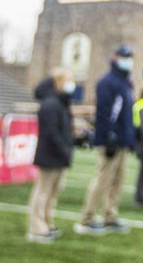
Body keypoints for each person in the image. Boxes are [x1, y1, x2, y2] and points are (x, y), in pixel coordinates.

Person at [76, 44, 135, 235]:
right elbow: (105, 113)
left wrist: (130, 137)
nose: (128, 60)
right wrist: (108, 136)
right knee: (103, 179)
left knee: (118, 180)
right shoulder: (107, 82)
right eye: (124, 56)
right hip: (111, 139)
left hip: (123, 140)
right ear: (115, 57)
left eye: (129, 56)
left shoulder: (126, 82)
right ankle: (86, 218)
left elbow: (125, 113)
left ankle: (110, 215)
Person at [26, 67, 76, 243]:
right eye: (69, 80)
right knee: (43, 191)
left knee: (53, 192)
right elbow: (50, 131)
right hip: (49, 155)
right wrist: (63, 149)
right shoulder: (50, 103)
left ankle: (47, 222)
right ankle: (36, 227)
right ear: (59, 82)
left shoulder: (60, 102)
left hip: (59, 155)